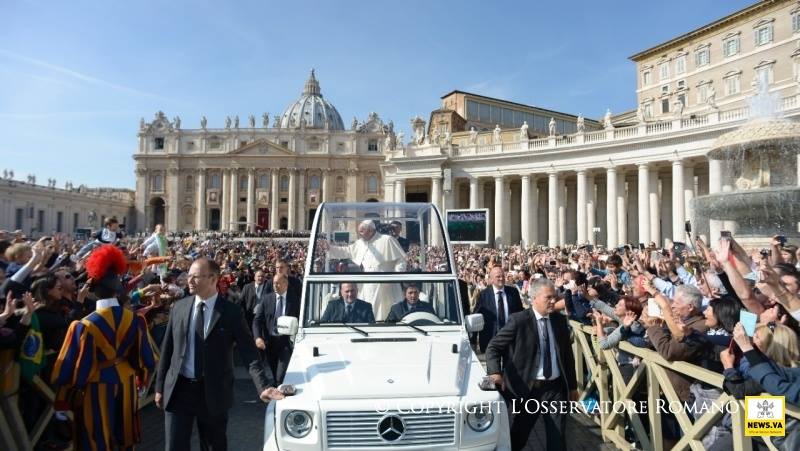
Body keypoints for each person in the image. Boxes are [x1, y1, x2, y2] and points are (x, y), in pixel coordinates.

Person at [155, 258, 284, 451]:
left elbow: (249, 353)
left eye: (195, 276)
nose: (189, 280)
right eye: (188, 276)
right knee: (174, 446)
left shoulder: (231, 312)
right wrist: (159, 387)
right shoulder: (179, 308)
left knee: (213, 446)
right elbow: (168, 350)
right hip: (179, 389)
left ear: (213, 278)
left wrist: (263, 386)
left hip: (213, 392)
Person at [51, 245, 159, 451]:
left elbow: (70, 369)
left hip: (96, 387)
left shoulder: (83, 325)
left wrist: (63, 400)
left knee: (96, 438)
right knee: (125, 437)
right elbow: (147, 358)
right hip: (127, 384)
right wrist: (141, 377)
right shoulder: (135, 320)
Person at [485, 278, 578, 451]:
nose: (553, 301)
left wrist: (572, 387)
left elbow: (567, 356)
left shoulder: (559, 321)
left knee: (557, 438)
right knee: (519, 436)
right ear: (534, 298)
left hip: (555, 389)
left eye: (555, 297)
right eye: (548, 297)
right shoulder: (518, 321)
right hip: (528, 390)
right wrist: (495, 372)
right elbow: (493, 347)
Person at [326, 220, 406, 318]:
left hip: (386, 284)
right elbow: (347, 251)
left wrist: (395, 275)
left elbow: (401, 259)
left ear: (371, 231)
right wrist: (330, 248)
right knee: (368, 311)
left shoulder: (387, 240)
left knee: (386, 313)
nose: (359, 235)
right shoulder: (360, 243)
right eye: (359, 232)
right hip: (368, 284)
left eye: (362, 232)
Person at [252, 274, 300, 383]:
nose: (275, 285)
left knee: (280, 375)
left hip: (286, 343)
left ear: (285, 284)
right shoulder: (266, 299)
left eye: (278, 283)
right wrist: (258, 337)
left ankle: (281, 389)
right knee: (274, 373)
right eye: (274, 283)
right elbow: (257, 320)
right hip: (270, 342)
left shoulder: (295, 301)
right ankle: (279, 390)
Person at [473, 266, 524, 353]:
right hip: (490, 340)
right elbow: (476, 317)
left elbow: (520, 314)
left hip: (510, 339)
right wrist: (473, 341)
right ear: (491, 279)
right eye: (498, 276)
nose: (501, 278)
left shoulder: (513, 292)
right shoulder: (483, 295)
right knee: (493, 366)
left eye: (503, 276)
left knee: (509, 366)